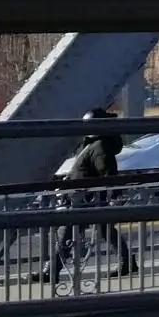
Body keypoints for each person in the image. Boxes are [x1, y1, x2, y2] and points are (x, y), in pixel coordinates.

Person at [43, 109, 131, 283]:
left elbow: (108, 173)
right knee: (104, 230)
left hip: (88, 198)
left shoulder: (99, 146)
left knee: (67, 231)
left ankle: (51, 270)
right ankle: (127, 262)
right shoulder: (92, 144)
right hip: (87, 197)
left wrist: (113, 195)